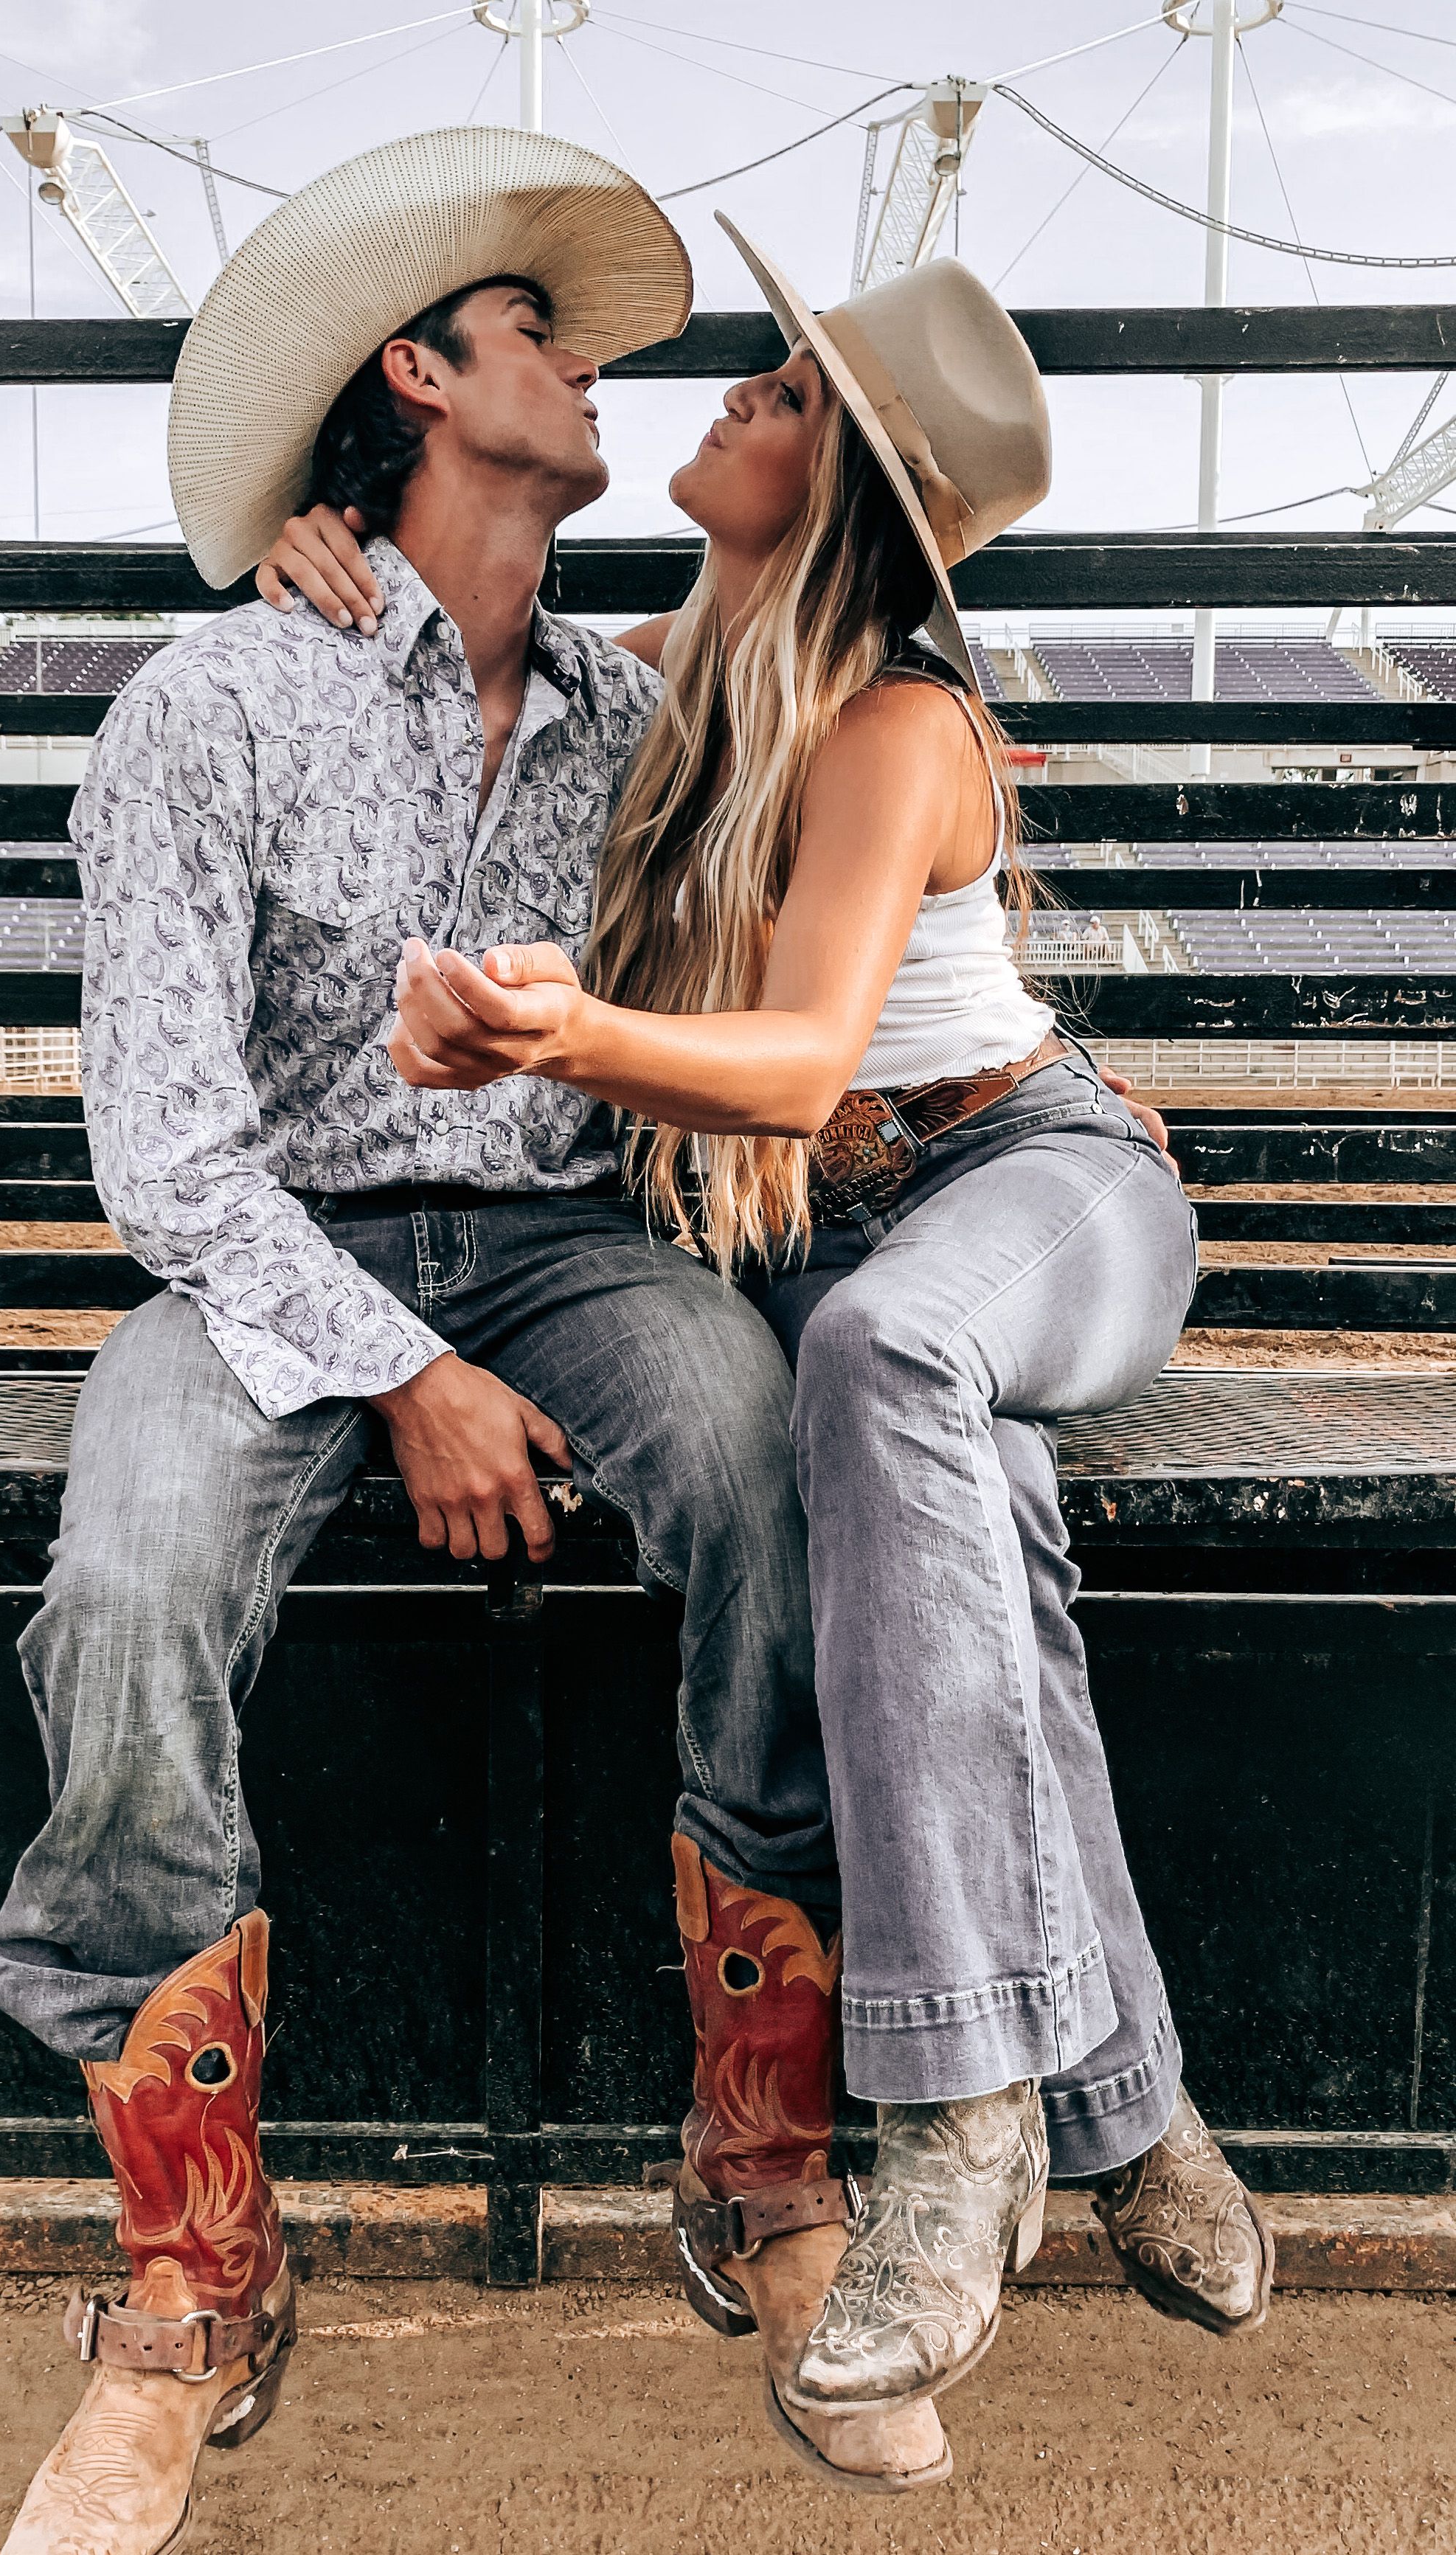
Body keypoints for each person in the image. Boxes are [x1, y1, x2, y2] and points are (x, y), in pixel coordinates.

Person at [0, 130, 939, 2555]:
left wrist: (1029, 1093)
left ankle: (759, 2160)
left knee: (761, 1454)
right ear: (416, 376)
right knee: (129, 1570)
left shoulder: (639, 707)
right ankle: (198, 2263)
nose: (593, 359)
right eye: (538, 327)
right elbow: (170, 1161)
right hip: (269, 1270)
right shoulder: (216, 700)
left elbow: (838, 824)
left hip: (566, 1249)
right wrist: (401, 1367)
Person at [294, 219, 1273, 2441]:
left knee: (883, 1361)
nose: (736, 392)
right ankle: (1127, 2087)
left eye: (787, 391)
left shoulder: (903, 719)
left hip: (1032, 1181)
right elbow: (471, 630)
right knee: (959, 1486)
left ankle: (954, 2116)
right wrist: (315, 533)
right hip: (866, 1266)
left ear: (849, 483)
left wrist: (564, 1033)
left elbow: (818, 1059)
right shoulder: (686, 663)